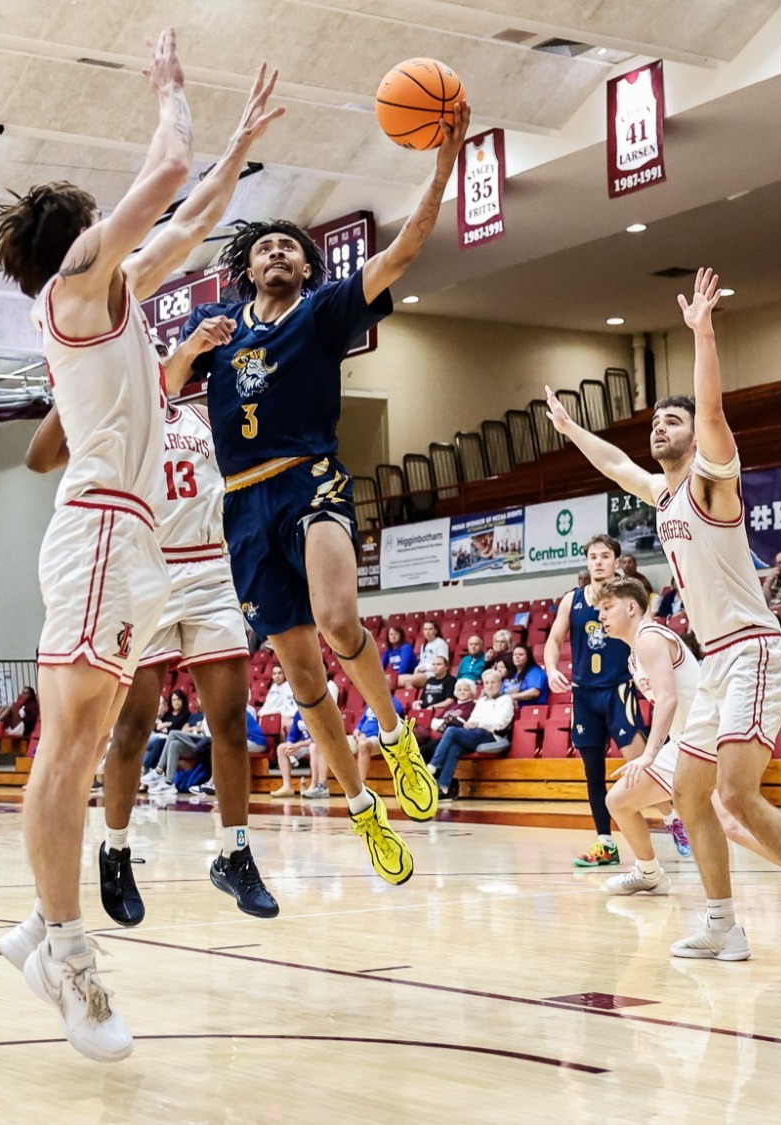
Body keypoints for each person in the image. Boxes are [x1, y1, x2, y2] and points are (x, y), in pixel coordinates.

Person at [0, 30, 240, 1063]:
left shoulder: (118, 293)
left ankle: (38, 936)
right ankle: (63, 955)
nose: (117, 222)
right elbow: (167, 173)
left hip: (132, 546)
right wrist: (170, 91)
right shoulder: (72, 293)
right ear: (79, 238)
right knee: (70, 746)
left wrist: (245, 146)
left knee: (85, 747)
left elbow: (193, 212)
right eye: (101, 218)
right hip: (99, 532)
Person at [172, 88, 471, 891]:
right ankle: (362, 807)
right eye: (264, 246)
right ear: (246, 268)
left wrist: (444, 161)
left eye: (288, 247)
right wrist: (192, 346)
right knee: (303, 683)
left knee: (341, 621)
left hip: (310, 476)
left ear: (307, 266)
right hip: (242, 502)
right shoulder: (222, 334)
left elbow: (406, 247)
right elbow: (164, 386)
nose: (275, 253)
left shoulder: (326, 309)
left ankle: (398, 732)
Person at [545, 267, 781, 974]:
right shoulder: (661, 497)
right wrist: (572, 429)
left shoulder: (710, 483)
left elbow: (716, 412)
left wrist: (703, 333)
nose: (662, 425)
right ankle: (723, 924)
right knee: (691, 792)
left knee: (733, 795)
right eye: (657, 419)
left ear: (696, 437)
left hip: (754, 652)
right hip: (717, 660)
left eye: (674, 419)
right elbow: (615, 464)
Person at [28, 259, 289, 928]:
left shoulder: (203, 412)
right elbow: (38, 452)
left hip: (208, 570)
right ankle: (115, 849)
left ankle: (235, 852)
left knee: (230, 720)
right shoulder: (119, 403)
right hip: (143, 567)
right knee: (133, 727)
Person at [594, 576, 781, 911]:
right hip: (682, 742)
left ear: (631, 607)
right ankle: (649, 874)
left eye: (606, 607)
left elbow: (668, 700)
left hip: (705, 737)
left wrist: (648, 755)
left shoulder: (650, 638)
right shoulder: (635, 653)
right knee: (618, 801)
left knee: (732, 823)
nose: (601, 616)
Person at [545, 534, 651, 869]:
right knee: (593, 773)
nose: (599, 562)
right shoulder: (571, 600)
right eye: (593, 556)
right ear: (587, 561)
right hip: (584, 695)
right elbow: (553, 638)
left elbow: (647, 633)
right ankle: (605, 842)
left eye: (605, 556)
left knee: (642, 765)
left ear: (616, 561)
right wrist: (550, 668)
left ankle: (676, 820)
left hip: (619, 690)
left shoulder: (628, 596)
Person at [428, 668, 514, 800]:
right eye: (487, 683)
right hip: (475, 734)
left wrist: (479, 724)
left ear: (500, 683)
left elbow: (501, 724)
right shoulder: (481, 702)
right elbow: (473, 719)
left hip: (492, 735)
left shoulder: (506, 700)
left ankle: (433, 765)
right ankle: (444, 788)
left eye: (493, 682)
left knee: (451, 731)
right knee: (454, 747)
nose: (490, 686)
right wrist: (469, 724)